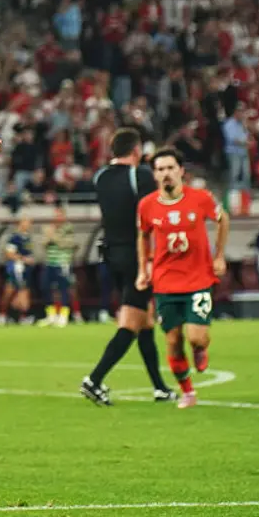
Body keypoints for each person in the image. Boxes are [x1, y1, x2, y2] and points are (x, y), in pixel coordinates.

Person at [81, 128, 173, 406]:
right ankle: (94, 380)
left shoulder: (100, 177)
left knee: (145, 321)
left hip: (111, 254)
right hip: (137, 256)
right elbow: (154, 214)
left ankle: (159, 388)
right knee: (132, 322)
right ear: (136, 151)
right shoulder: (140, 175)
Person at [136, 149, 229, 409]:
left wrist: (219, 256)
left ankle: (200, 348)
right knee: (173, 341)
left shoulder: (201, 198)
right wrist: (143, 270)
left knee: (196, 337)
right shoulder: (147, 205)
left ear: (180, 171)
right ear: (155, 175)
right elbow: (142, 236)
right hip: (165, 281)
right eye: (160, 169)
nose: (166, 173)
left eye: (170, 168)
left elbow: (223, 220)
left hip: (199, 278)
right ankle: (187, 391)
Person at [40, 206, 82, 327]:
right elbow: (43, 243)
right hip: (50, 262)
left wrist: (53, 237)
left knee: (64, 288)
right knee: (45, 287)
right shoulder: (49, 227)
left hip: (63, 263)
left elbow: (68, 244)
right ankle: (51, 315)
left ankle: (63, 315)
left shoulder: (68, 228)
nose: (57, 217)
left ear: (64, 216)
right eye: (56, 215)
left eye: (59, 215)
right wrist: (50, 238)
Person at [0, 217, 35, 325]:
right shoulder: (14, 238)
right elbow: (9, 254)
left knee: (13, 292)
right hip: (16, 268)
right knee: (21, 292)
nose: (28, 225)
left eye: (29, 222)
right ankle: (20, 317)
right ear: (20, 224)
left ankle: (6, 316)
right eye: (26, 222)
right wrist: (24, 259)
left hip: (25, 269)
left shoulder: (27, 238)